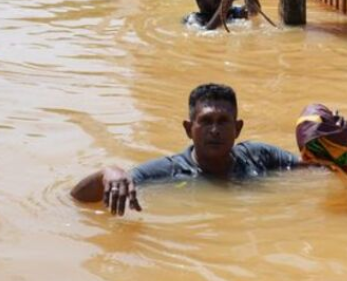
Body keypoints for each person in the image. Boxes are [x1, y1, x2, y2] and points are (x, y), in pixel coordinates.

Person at [70, 83, 307, 216]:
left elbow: (314, 168)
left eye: (223, 121)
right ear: (188, 129)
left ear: (238, 128)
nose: (214, 130)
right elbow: (75, 199)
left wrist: (337, 146)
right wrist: (107, 173)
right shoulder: (168, 172)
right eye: (205, 121)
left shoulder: (259, 156)